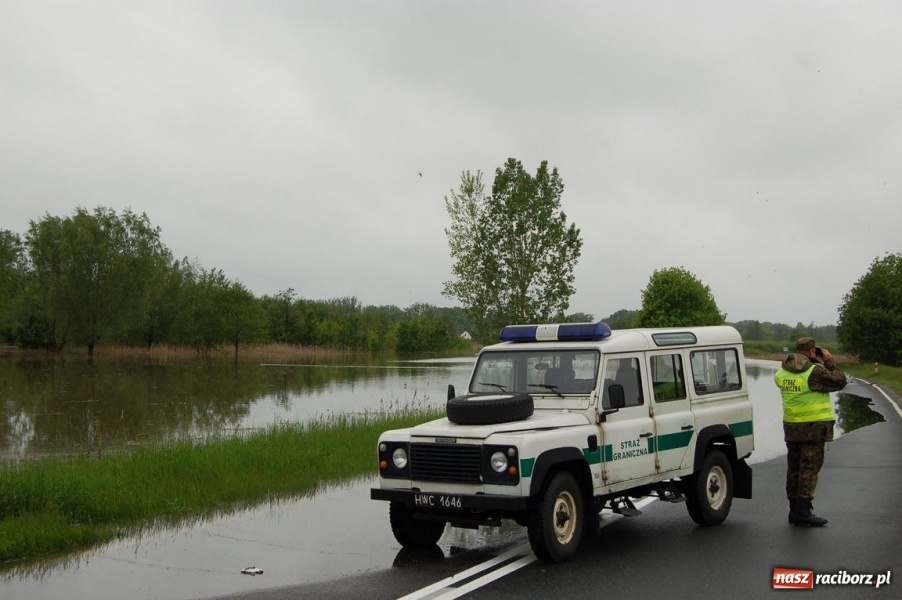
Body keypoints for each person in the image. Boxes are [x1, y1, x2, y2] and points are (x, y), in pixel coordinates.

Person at [774, 337, 847, 526]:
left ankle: (794, 510)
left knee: (794, 469)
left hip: (791, 427)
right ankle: (804, 512)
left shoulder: (781, 372)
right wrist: (829, 360)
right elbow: (839, 381)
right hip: (813, 429)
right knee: (809, 469)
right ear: (812, 351)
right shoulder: (814, 372)